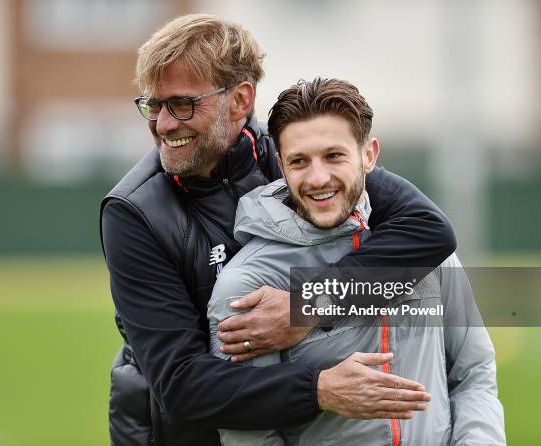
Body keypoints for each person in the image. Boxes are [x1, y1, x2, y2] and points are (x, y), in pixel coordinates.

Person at [100, 14, 457, 446]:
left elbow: (428, 230)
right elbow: (181, 384)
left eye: (182, 104)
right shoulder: (133, 211)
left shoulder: (296, 155)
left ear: (240, 101)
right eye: (153, 105)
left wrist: (306, 306)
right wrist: (320, 389)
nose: (163, 124)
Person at [208, 78, 505, 445]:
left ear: (369, 155)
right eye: (300, 161)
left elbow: (473, 372)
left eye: (334, 156)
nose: (318, 178)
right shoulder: (247, 285)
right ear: (281, 166)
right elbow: (248, 431)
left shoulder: (423, 251)